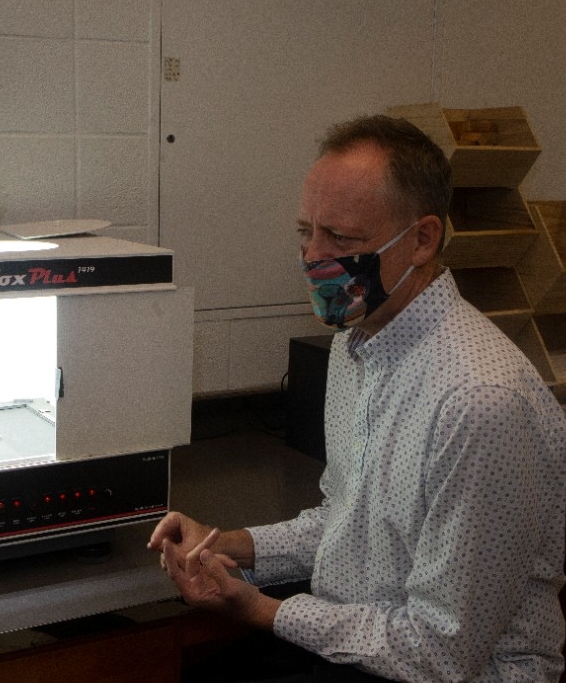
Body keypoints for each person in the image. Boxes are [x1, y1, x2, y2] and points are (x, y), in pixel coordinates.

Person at [149, 114, 566, 683]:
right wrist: (226, 546)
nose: (312, 257)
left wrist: (260, 608)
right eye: (306, 231)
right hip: (368, 640)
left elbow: (442, 652)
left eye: (341, 239)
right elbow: (349, 524)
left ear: (423, 240)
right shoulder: (356, 344)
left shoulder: (478, 401)